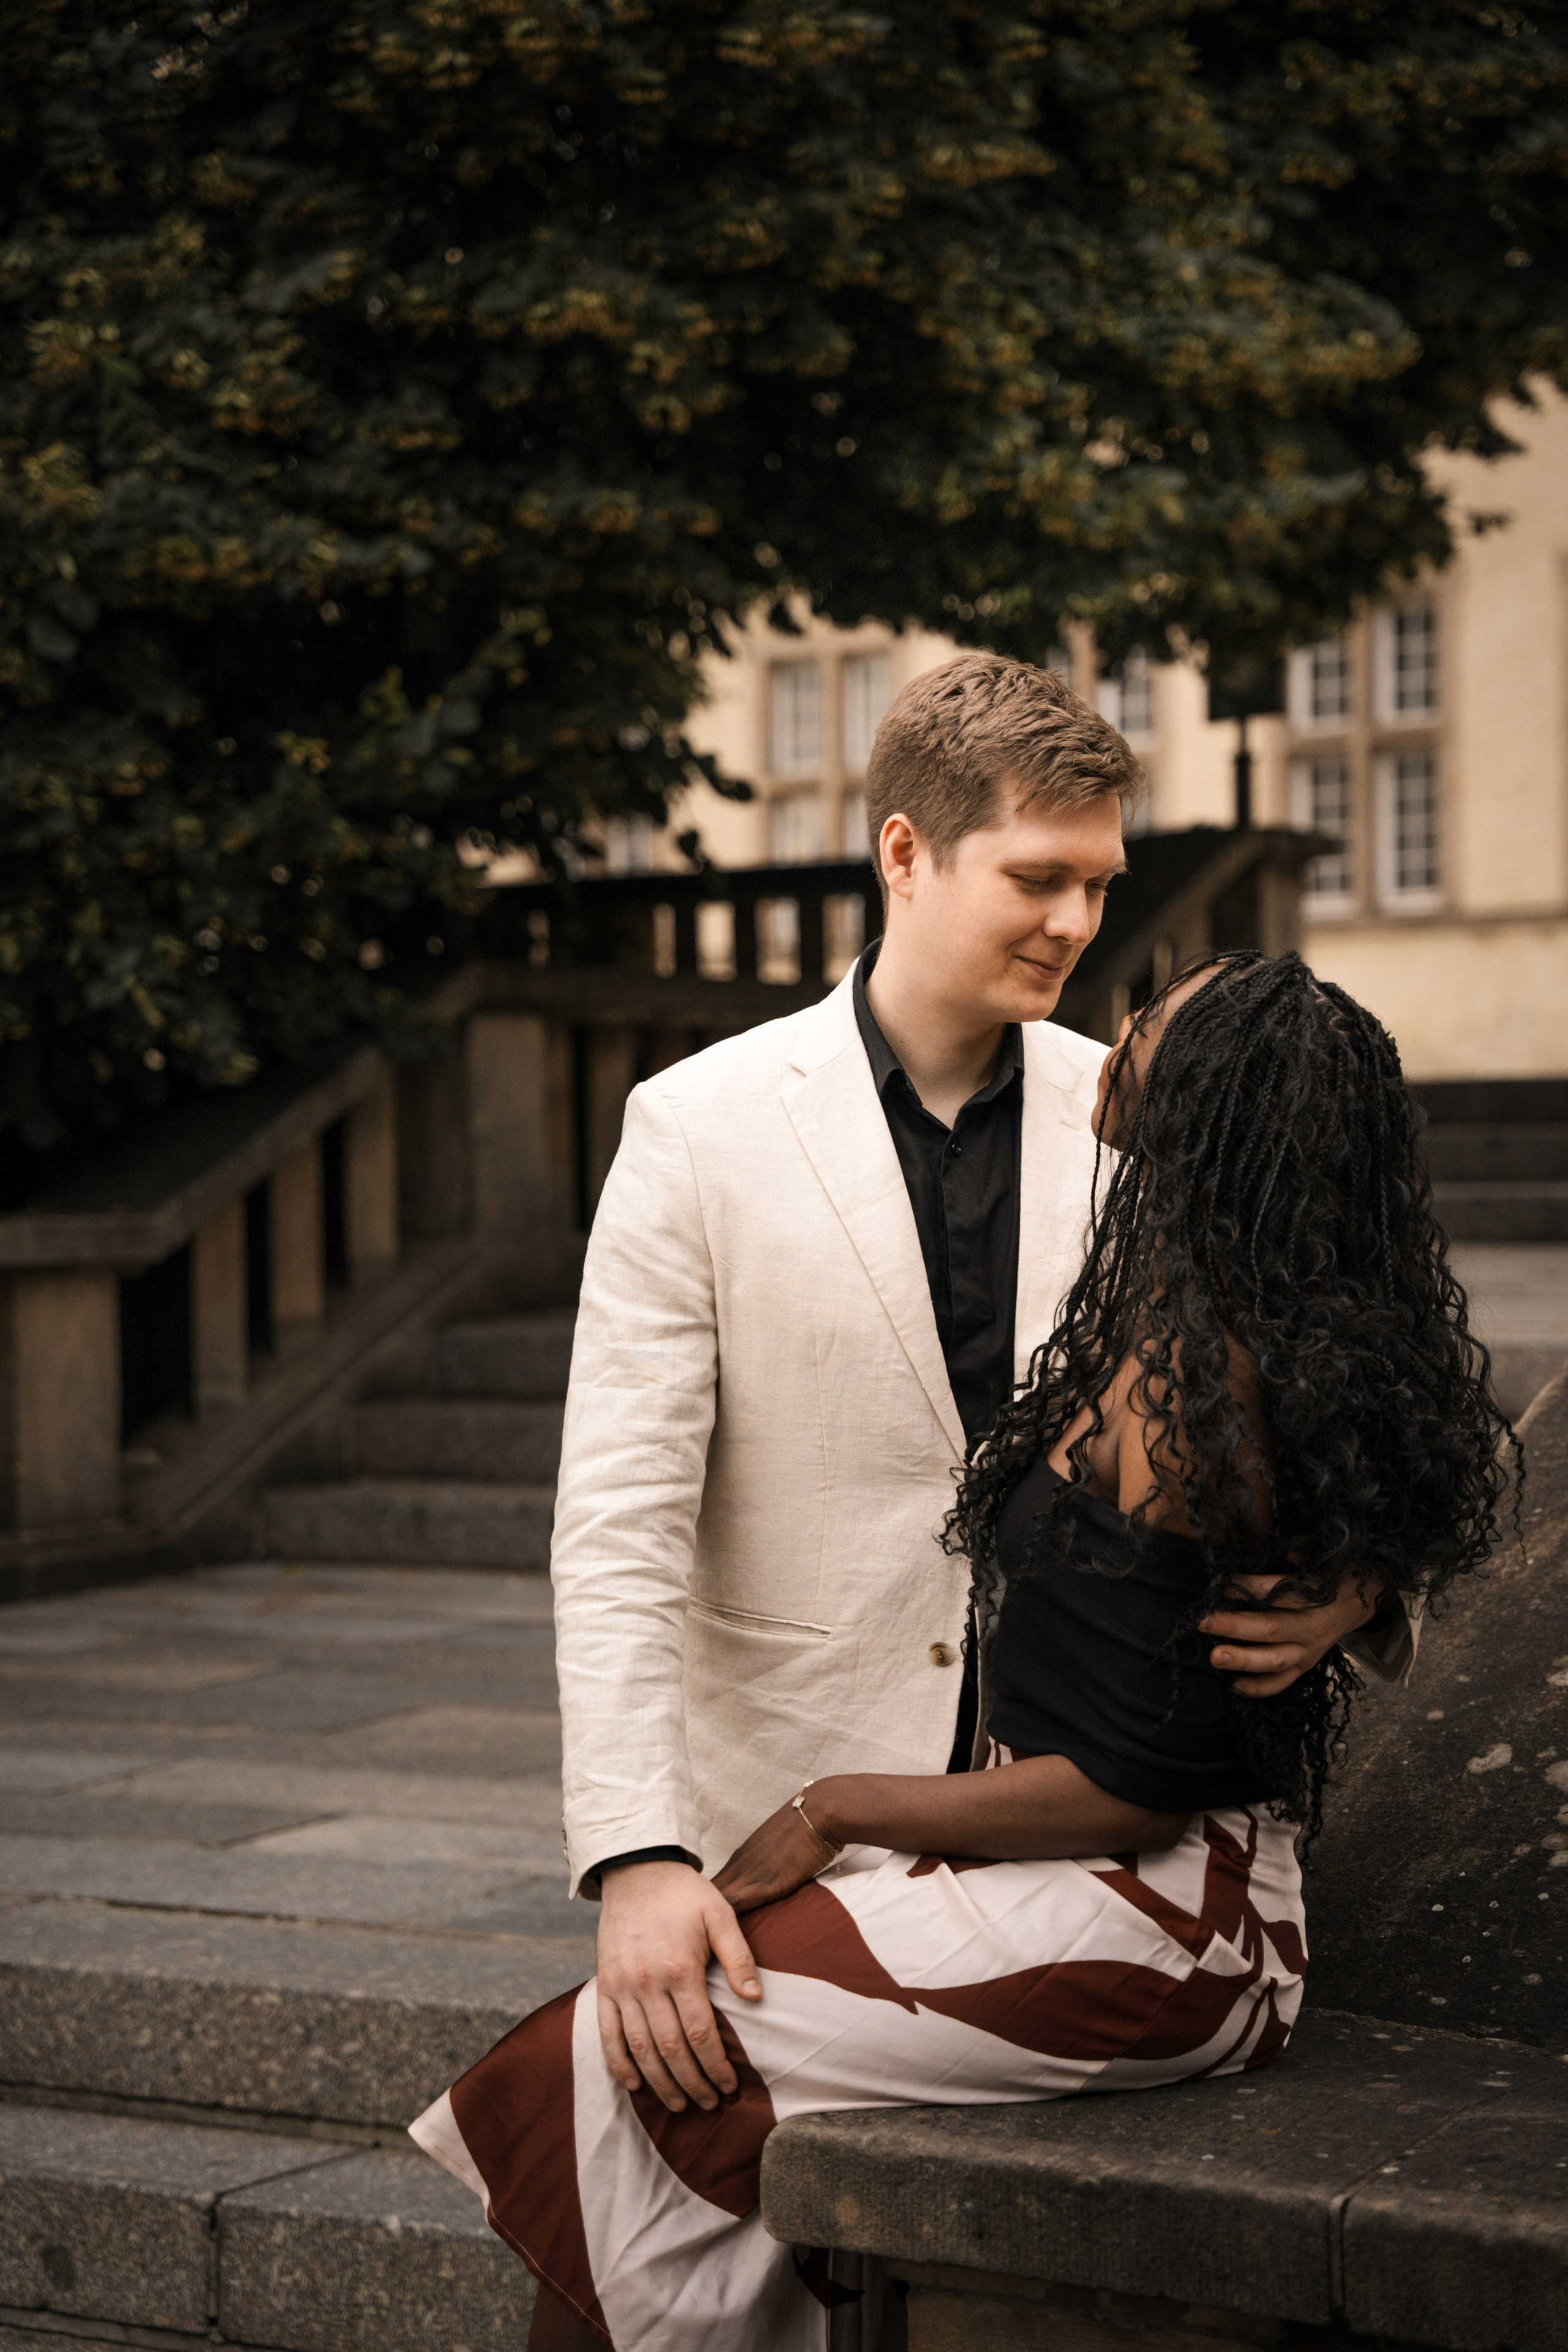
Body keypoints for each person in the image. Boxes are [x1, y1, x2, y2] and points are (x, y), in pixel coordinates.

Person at [409, 949, 1510, 2351]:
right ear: (908, 850)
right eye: (1046, 878)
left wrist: (1360, 1587)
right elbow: (617, 1521)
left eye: (1156, 1008)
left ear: (1220, 1100)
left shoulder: (1198, 1357)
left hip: (1154, 1898)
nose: (1105, 976)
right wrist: (643, 1846)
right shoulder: (1146, 1280)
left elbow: (1153, 1761)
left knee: (634, 2062)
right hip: (1023, 1849)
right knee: (658, 2075)